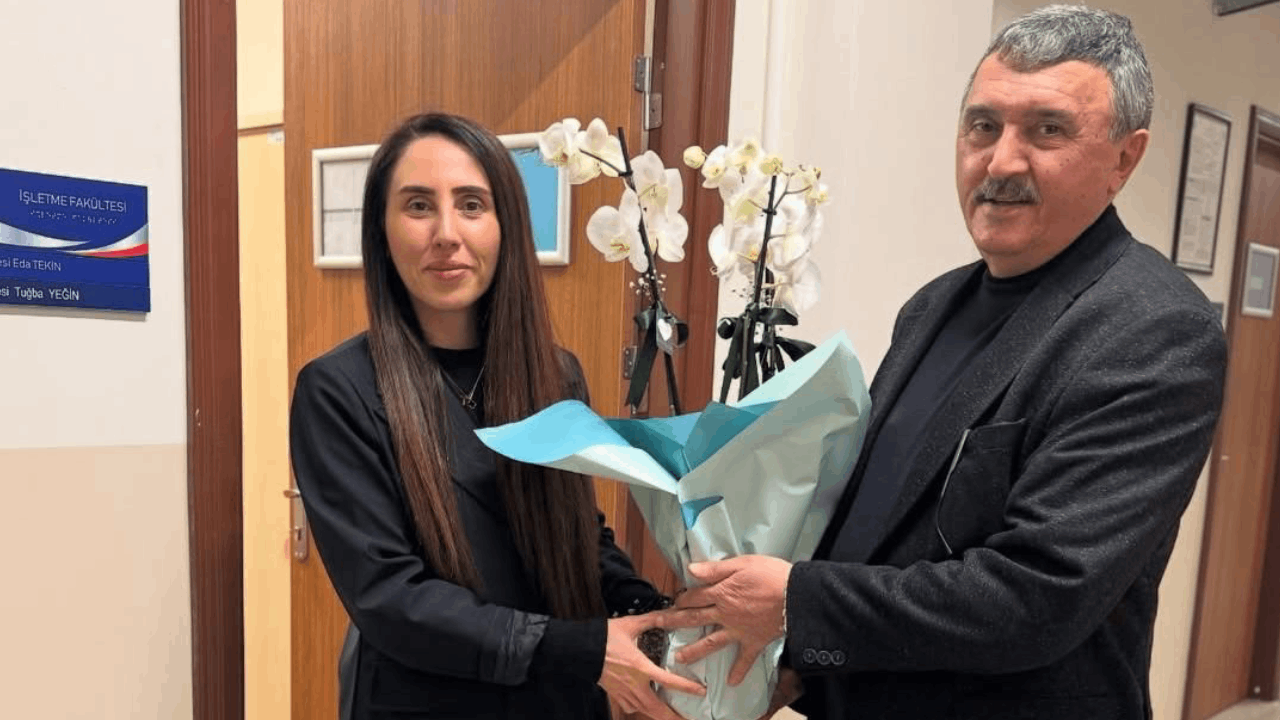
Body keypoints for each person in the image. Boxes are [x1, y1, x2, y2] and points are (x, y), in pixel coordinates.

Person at [668, 6, 1228, 719]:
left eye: (1048, 130)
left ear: (1125, 157)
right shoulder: (932, 306)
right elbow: (881, 529)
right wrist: (804, 662)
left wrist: (795, 606)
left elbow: (1038, 595)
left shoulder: (1154, 330)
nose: (1001, 162)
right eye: (983, 126)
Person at [288, 112, 702, 720]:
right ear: (382, 230)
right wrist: (580, 649)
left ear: (505, 223)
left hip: (555, 696)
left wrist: (650, 613)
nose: (446, 233)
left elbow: (578, 534)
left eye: (472, 205)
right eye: (418, 206)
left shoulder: (555, 374)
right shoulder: (340, 390)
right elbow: (390, 599)